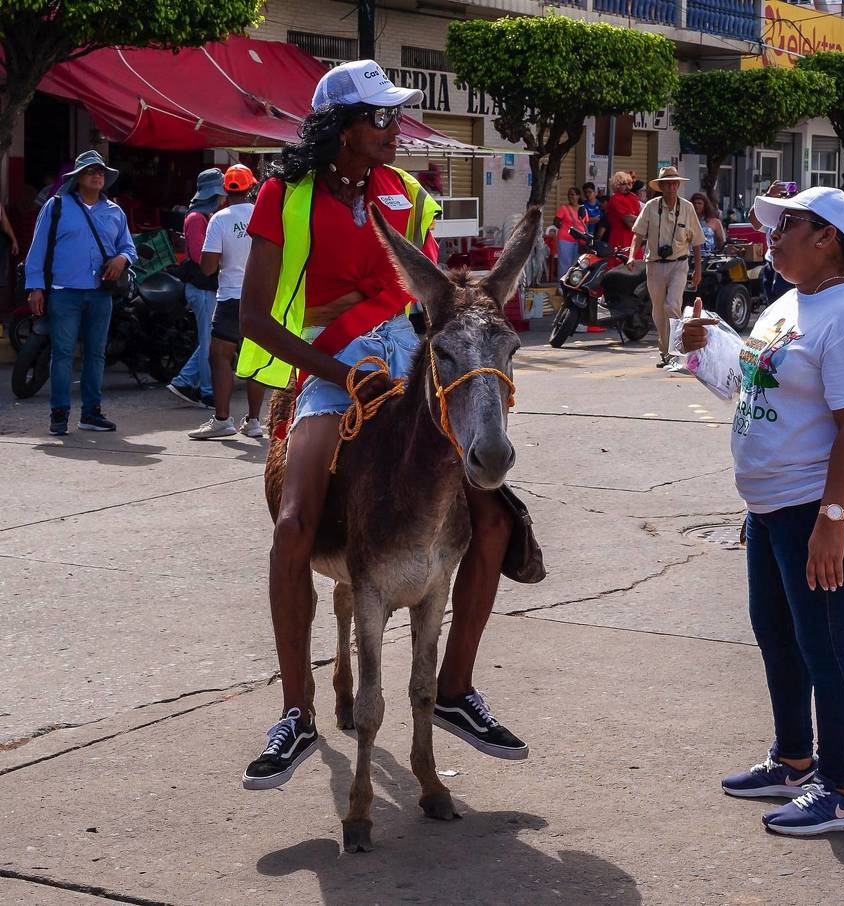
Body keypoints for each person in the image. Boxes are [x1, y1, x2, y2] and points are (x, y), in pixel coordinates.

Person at [236, 60, 531, 790]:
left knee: (495, 520)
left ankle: (456, 690)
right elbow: (253, 317)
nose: (394, 130)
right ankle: (296, 714)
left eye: (393, 117)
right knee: (293, 524)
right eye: (380, 118)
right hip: (333, 364)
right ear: (341, 127)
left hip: (415, 363)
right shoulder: (283, 194)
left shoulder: (407, 193)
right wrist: (337, 375)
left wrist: (475, 332)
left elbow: (432, 294)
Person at [681, 186, 844, 836]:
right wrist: (709, 343)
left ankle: (842, 790)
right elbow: (757, 385)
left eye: (787, 225)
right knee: (778, 637)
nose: (771, 236)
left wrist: (832, 521)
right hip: (774, 505)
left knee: (826, 648)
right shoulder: (791, 302)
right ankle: (794, 759)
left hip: (819, 508)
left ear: (828, 237)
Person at [23, 150, 136, 436]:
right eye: (91, 172)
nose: (97, 176)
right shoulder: (56, 206)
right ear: (78, 178)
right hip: (64, 292)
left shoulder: (114, 211)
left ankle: (91, 413)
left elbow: (128, 246)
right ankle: (59, 414)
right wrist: (35, 286)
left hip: (100, 293)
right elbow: (38, 249)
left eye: (101, 172)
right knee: (62, 354)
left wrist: (122, 259)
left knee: (96, 354)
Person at [188, 165, 265, 440]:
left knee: (219, 357)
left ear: (226, 191)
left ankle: (222, 420)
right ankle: (254, 421)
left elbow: (207, 267)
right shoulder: (264, 214)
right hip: (261, 297)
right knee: (255, 360)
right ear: (251, 187)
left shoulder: (218, 219)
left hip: (230, 297)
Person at [627, 166, 701, 370]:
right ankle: (665, 351)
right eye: (666, 183)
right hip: (655, 265)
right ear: (660, 186)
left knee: (672, 306)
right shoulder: (651, 207)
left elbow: (696, 242)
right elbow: (638, 234)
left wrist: (698, 271)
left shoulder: (687, 208)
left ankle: (676, 352)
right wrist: (632, 255)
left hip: (679, 263)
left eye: (674, 183)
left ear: (678, 185)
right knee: (659, 311)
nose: (670, 186)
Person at [167, 168, 227, 408]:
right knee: (209, 342)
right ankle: (207, 391)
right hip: (202, 289)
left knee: (208, 341)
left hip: (206, 288)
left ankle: (183, 381)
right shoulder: (196, 218)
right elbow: (198, 255)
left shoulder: (206, 216)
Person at [752, 181, 795, 305]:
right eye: (782, 197)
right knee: (771, 303)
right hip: (771, 264)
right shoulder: (772, 216)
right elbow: (754, 220)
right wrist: (769, 195)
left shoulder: (799, 218)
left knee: (787, 304)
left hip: (790, 265)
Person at [554, 187, 587, 283]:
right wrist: (567, 228)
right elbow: (556, 222)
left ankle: (573, 285)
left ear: (578, 196)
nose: (571, 197)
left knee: (577, 265)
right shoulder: (564, 208)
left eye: (573, 194)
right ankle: (562, 286)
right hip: (565, 240)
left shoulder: (583, 209)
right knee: (564, 264)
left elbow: (586, 223)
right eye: (569, 194)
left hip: (579, 241)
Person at [605, 170, 641, 250]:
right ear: (616, 185)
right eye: (623, 184)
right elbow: (629, 221)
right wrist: (645, 219)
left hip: (633, 236)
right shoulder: (616, 199)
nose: (627, 187)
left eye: (629, 184)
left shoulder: (632, 197)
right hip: (621, 237)